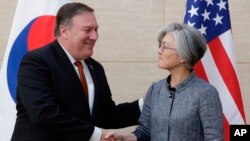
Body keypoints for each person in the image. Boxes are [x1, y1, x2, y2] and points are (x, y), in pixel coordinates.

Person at [11, 2, 142, 141]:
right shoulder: (37, 61)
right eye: (87, 30)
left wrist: (145, 103)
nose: (94, 36)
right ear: (64, 31)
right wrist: (97, 135)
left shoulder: (95, 68)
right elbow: (43, 113)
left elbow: (106, 115)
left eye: (96, 30)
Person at [104, 23, 224, 141]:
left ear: (184, 55)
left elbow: (214, 138)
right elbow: (144, 131)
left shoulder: (206, 93)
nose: (159, 51)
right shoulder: (155, 89)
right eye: (160, 45)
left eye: (165, 47)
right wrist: (123, 138)